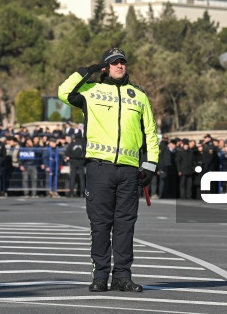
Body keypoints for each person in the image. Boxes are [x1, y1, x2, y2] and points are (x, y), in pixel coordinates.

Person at [58, 47, 159, 293]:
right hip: (99, 169)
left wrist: (151, 166)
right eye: (114, 62)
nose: (120, 66)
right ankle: (100, 276)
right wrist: (89, 70)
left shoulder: (139, 96)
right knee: (100, 225)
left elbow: (151, 134)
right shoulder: (90, 91)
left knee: (125, 225)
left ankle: (123, 277)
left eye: (123, 62)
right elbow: (63, 91)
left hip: (129, 171)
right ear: (106, 67)